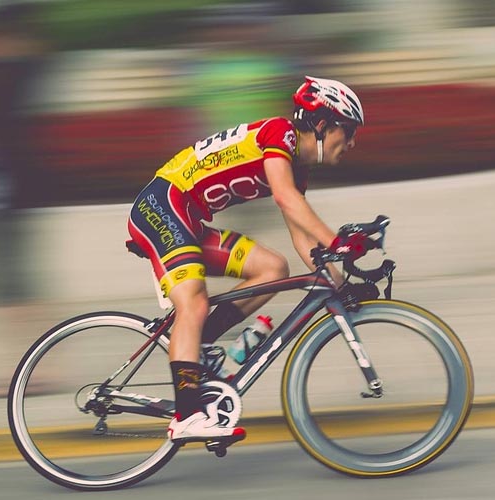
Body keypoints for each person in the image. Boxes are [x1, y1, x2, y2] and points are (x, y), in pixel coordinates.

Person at [126, 76, 365, 443]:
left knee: (273, 268)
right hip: (162, 205)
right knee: (194, 302)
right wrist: (338, 241)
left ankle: (198, 343)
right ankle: (187, 416)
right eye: (348, 131)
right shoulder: (280, 133)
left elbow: (302, 238)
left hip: (186, 220)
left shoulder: (297, 167)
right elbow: (286, 199)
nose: (351, 143)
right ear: (322, 124)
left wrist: (340, 284)